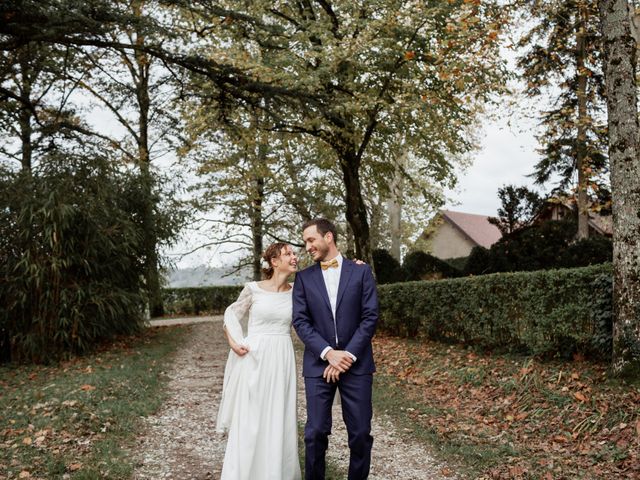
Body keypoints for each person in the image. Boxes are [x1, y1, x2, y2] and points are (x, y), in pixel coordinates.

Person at [292, 218, 379, 480]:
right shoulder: (303, 279)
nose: (307, 246)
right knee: (315, 432)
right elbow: (301, 321)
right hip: (319, 364)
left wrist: (347, 356)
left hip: (357, 363)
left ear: (328, 237)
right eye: (305, 241)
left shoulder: (361, 272)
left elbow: (370, 317)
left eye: (311, 240)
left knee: (361, 433)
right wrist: (329, 353)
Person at [216, 242, 302, 480]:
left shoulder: (298, 290)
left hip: (282, 358)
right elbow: (231, 315)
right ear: (274, 261)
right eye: (288, 254)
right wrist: (234, 342)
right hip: (254, 358)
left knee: (278, 418)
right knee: (250, 419)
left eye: (295, 253)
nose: (295, 257)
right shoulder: (253, 289)